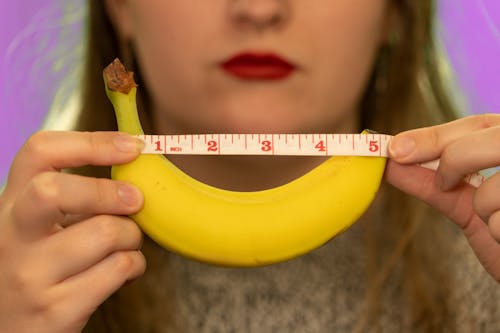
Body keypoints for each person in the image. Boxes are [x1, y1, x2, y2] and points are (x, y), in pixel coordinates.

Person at [1, 0, 499, 331]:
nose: (259, 9)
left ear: (394, 14)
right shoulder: (15, 283)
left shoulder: (490, 273)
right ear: (121, 8)